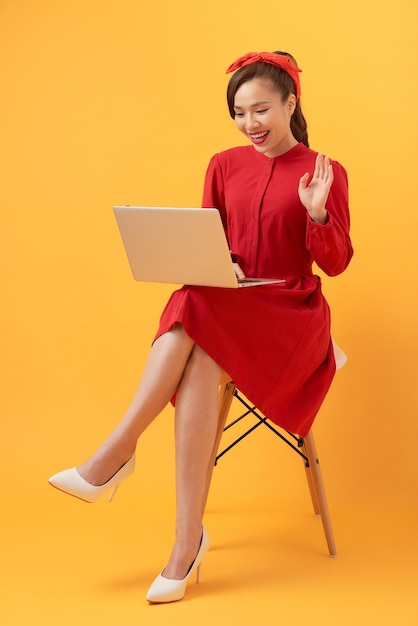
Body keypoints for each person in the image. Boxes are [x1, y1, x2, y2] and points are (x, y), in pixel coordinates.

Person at [49, 50, 353, 603]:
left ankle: (117, 453)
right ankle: (185, 542)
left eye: (261, 110)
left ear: (291, 103)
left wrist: (316, 214)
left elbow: (335, 263)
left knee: (193, 304)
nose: (250, 124)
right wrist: (226, 265)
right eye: (239, 113)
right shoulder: (222, 164)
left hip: (292, 312)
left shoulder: (324, 171)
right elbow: (208, 246)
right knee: (201, 331)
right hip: (231, 305)